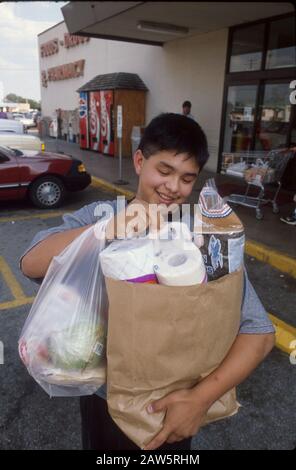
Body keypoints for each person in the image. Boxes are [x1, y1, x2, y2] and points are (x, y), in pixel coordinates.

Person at [20, 113, 275, 451]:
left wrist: (200, 400)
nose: (173, 187)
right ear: (139, 161)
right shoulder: (99, 215)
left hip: (173, 405)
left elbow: (259, 333)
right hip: (105, 396)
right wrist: (105, 230)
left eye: (187, 178)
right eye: (165, 171)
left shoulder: (200, 238)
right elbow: (30, 263)